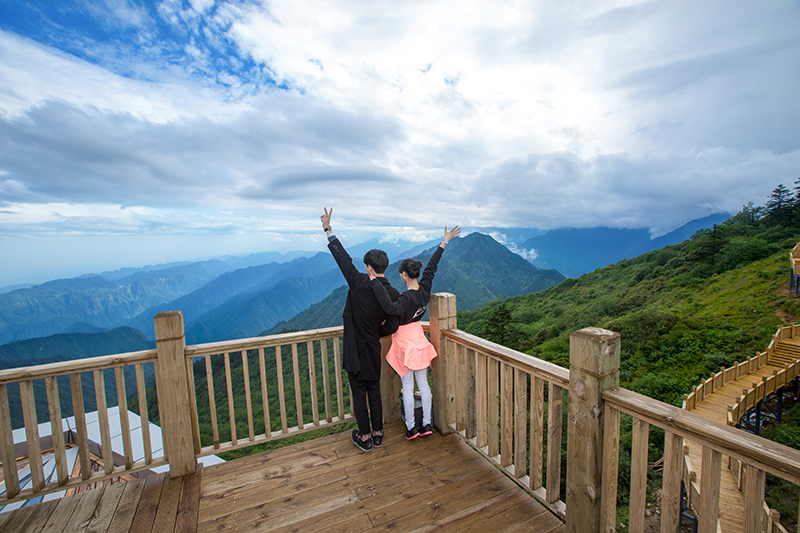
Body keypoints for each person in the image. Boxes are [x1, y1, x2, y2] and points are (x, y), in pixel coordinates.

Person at [369, 225, 461, 439]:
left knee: (408, 386)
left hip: (404, 343)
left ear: (403, 275)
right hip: (420, 341)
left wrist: (375, 283)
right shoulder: (424, 291)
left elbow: (390, 309)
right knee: (424, 385)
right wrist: (444, 241)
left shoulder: (403, 300)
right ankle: (427, 424)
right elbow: (432, 267)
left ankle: (411, 428)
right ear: (416, 274)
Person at [320, 207, 400, 452]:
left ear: (368, 267)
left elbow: (342, 259)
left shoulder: (358, 282)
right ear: (385, 267)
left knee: (359, 394)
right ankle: (378, 434)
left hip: (355, 350)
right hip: (373, 348)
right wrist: (380, 332)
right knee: (374, 391)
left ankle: (364, 437)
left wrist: (328, 230)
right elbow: (395, 322)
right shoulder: (391, 292)